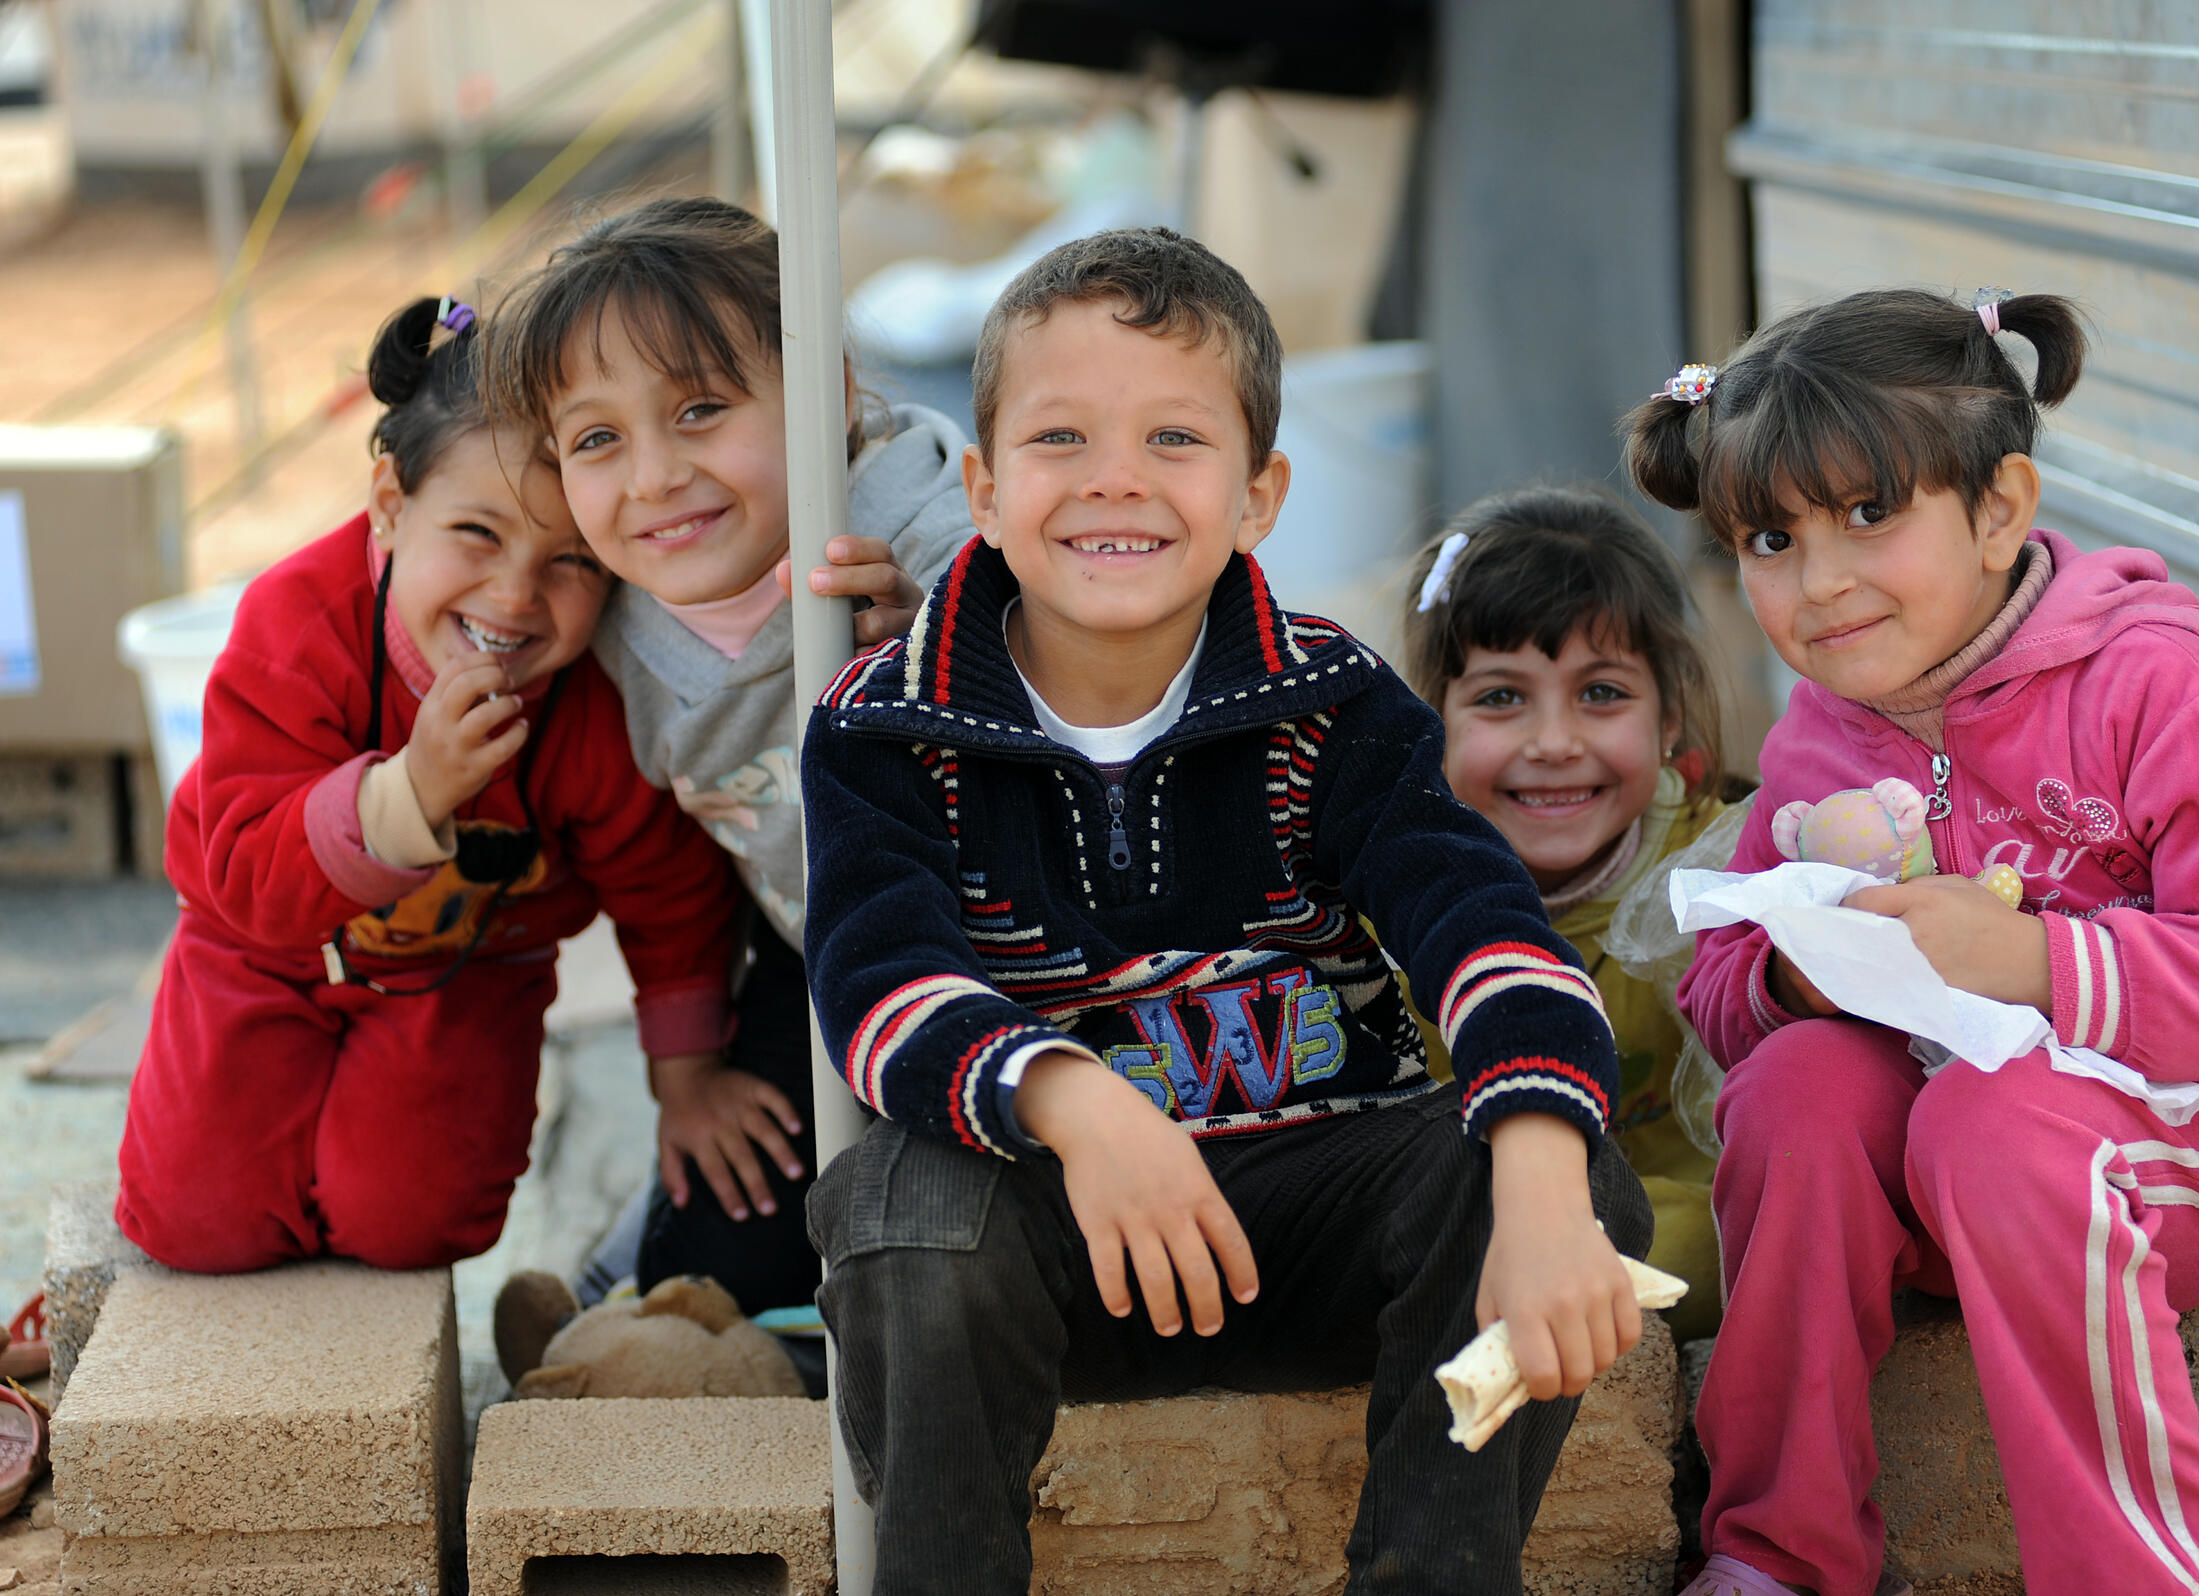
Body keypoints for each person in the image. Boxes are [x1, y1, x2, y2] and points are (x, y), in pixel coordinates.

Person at [799, 226, 1654, 1596]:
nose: (1116, 481)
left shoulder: (1328, 700)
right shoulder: (891, 722)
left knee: (1550, 1161)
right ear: (983, 486)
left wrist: (1551, 1181)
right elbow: (877, 981)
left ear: (1261, 495)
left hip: (1314, 1233)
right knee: (901, 1201)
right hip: (1052, 1246)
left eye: (1176, 441)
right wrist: (1079, 1105)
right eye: (1061, 438)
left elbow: (1481, 921)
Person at [1625, 288, 2199, 1596]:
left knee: (1999, 1123)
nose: (1822, 580)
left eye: (1869, 515)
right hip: (1945, 1161)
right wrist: (1798, 967)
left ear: (2003, 509)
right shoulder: (1817, 739)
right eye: (1770, 538)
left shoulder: (2159, 695)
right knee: (1791, 1092)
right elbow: (1730, 1004)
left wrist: (2041, 965)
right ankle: (1778, 1556)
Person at [117, 295, 749, 1274]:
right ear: (390, 503)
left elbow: (669, 890)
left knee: (406, 1225)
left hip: (468, 972)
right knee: (198, 1225)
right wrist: (412, 789)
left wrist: (688, 1078)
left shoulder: (593, 695)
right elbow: (242, 865)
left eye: (572, 561)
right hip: (259, 952)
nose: (514, 596)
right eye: (478, 533)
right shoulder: (299, 624)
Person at [480, 196, 979, 1321]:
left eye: (701, 409)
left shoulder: (913, 529)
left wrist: (941, 647)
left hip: (1003, 961)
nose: (653, 476)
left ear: (830, 396)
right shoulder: (603, 611)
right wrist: (685, 1078)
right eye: (598, 440)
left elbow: (1064, 643)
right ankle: (641, 1264)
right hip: (806, 947)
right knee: (730, 1230)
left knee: (940, 1241)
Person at [1400, 486, 1745, 1340]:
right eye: (1501, 698)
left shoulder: (1729, 882)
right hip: (1479, 1223)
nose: (1553, 742)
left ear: (1669, 718)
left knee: (1746, 1242)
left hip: (1682, 1232)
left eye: (1600, 694)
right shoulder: (1385, 907)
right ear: (1429, 721)